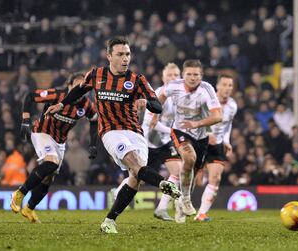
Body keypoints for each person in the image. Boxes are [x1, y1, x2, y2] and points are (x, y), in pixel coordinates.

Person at [44, 36, 181, 234]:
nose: (125, 58)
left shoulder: (137, 79)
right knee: (134, 163)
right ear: (109, 56)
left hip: (135, 132)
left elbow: (157, 105)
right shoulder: (96, 74)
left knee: (136, 176)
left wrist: (146, 102)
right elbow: (79, 91)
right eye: (120, 54)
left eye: (127, 54)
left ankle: (109, 220)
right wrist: (62, 104)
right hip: (110, 131)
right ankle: (163, 183)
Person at [10, 72, 98, 223]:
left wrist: (93, 143)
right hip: (42, 132)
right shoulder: (57, 94)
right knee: (52, 162)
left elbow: (94, 120)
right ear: (69, 85)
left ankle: (29, 208)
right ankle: (19, 193)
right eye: (76, 85)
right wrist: (25, 120)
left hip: (60, 141)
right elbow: (31, 96)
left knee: (49, 178)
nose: (80, 90)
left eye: (83, 87)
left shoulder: (86, 105)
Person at [156, 59, 222, 223]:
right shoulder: (174, 86)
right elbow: (161, 97)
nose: (193, 78)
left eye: (196, 75)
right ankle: (185, 199)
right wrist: (154, 112)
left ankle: (181, 203)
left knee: (192, 173)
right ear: (183, 75)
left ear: (201, 75)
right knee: (189, 158)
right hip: (180, 130)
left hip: (200, 134)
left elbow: (218, 116)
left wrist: (197, 123)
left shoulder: (207, 89)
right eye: (189, 74)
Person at [194, 74, 237, 221]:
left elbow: (227, 125)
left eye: (230, 85)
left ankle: (201, 214)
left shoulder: (232, 106)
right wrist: (207, 132)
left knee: (215, 178)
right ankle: (179, 205)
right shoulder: (207, 100)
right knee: (195, 180)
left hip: (217, 144)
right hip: (200, 141)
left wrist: (226, 140)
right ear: (217, 86)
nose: (227, 88)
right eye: (224, 85)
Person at [143, 63, 183, 221]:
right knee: (136, 178)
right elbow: (151, 123)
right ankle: (118, 192)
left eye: (175, 75)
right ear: (163, 77)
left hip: (164, 142)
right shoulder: (157, 94)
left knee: (177, 171)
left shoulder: (178, 96)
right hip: (148, 141)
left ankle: (161, 209)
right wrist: (173, 132)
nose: (173, 78)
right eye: (169, 75)